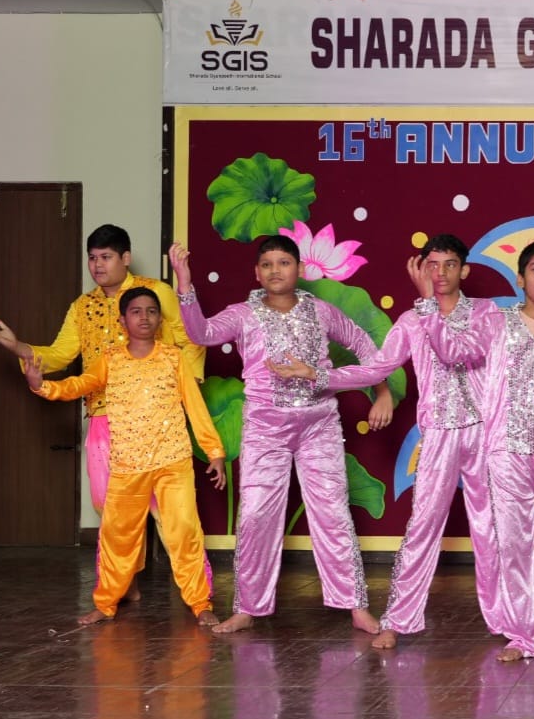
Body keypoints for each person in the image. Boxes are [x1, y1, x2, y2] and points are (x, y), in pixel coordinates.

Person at [268, 234, 503, 649]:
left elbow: (458, 353)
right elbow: (376, 368)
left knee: (493, 528)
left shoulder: (487, 314)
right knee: (422, 528)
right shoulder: (412, 321)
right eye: (433, 265)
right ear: (422, 268)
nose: (440, 273)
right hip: (439, 435)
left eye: (450, 265)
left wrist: (427, 305)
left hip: (485, 431)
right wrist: (317, 375)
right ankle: (398, 619)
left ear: (464, 270)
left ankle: (507, 621)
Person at [169, 236, 392, 634]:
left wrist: (383, 392)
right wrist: (184, 283)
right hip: (265, 429)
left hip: (319, 423)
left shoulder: (321, 311)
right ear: (256, 273)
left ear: (300, 269)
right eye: (267, 264)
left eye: (284, 262)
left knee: (334, 514)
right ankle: (247, 607)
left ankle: (356, 605)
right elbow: (202, 333)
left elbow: (363, 343)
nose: (276, 270)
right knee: (256, 514)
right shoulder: (243, 315)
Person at [0, 224, 211, 599]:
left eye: (106, 257)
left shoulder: (155, 293)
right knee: (110, 508)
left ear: (126, 258)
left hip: (156, 418)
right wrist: (19, 347)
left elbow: (190, 336)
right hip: (103, 417)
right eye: (92, 258)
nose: (98, 265)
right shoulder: (82, 306)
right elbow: (59, 355)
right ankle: (123, 585)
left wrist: (185, 388)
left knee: (173, 514)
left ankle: (198, 592)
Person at [423, 240, 534, 662]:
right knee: (515, 547)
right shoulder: (496, 322)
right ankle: (523, 637)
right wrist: (428, 305)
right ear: (521, 278)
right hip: (506, 452)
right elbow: (452, 352)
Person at [25, 286, 224, 626]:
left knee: (184, 532)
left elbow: (195, 406)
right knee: (117, 535)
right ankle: (106, 603)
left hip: (173, 463)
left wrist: (214, 451)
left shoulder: (173, 357)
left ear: (160, 320)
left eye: (151, 311)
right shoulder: (111, 359)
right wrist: (42, 385)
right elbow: (79, 385)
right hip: (127, 466)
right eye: (136, 311)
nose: (144, 317)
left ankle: (200, 602)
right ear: (122, 321)